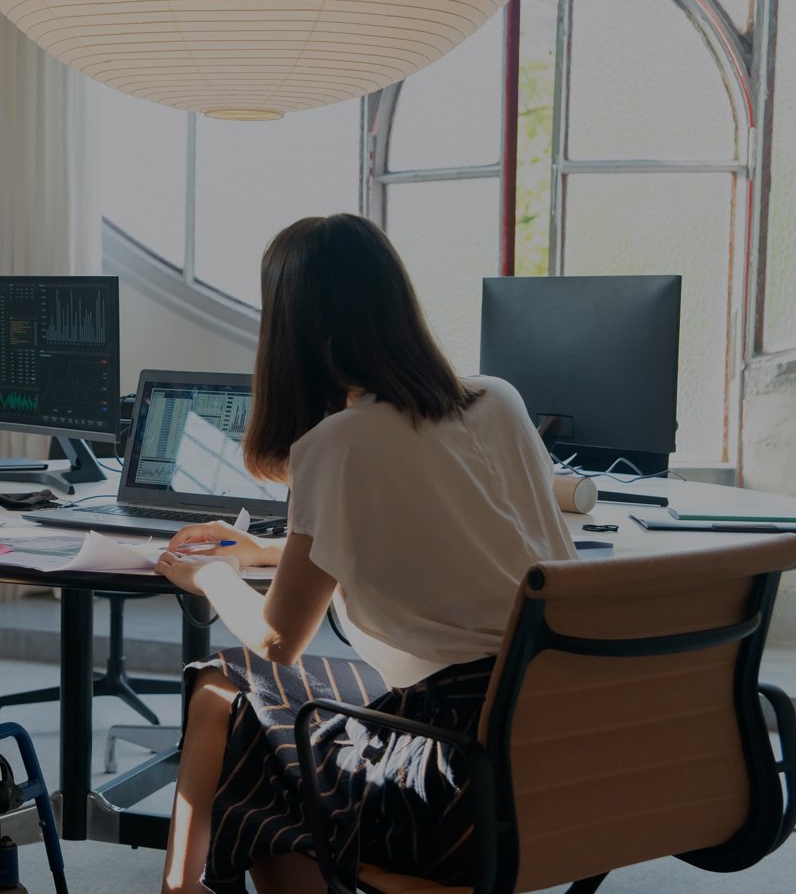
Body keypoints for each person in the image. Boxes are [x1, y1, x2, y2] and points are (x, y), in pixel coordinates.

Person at [153, 214, 576, 894]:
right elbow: (454, 534)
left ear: (289, 327)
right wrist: (265, 550)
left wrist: (207, 574)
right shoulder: (497, 397)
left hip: (453, 774)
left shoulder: (338, 443)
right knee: (219, 684)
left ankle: (186, 883)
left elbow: (275, 641)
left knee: (255, 741)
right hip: (558, 741)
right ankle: (180, 886)